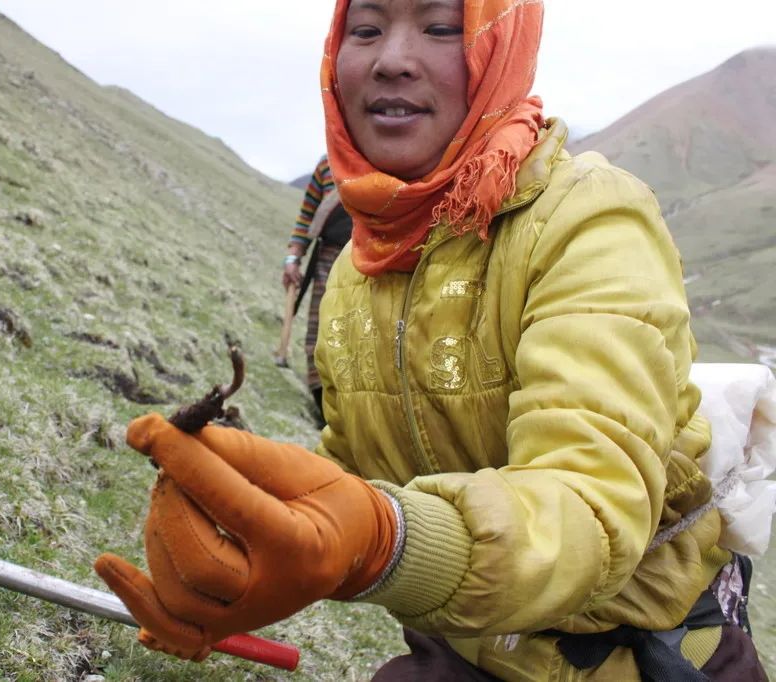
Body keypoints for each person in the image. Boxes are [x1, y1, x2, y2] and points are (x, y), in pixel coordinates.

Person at [95, 0, 769, 679]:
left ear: (500, 51)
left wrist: (381, 539)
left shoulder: (591, 219)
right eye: (366, 29)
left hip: (646, 659)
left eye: (441, 27)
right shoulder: (365, 268)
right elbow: (358, 470)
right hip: (468, 650)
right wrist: (243, 546)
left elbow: (589, 509)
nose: (391, 59)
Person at [282, 155, 354, 420]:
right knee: (320, 331)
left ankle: (349, 413)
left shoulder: (382, 158)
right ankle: (322, 406)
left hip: (369, 261)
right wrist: (293, 258)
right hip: (328, 259)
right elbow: (306, 217)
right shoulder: (327, 165)